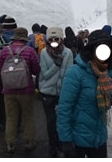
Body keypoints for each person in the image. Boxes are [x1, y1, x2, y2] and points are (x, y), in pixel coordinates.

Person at [57, 30, 112, 158]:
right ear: (91, 50)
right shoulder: (75, 73)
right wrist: (66, 139)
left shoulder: (104, 73)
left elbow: (107, 102)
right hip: (77, 140)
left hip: (99, 139)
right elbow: (64, 108)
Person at [0, 27, 41, 153]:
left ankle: (10, 144)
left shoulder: (5, 51)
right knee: (28, 116)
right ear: (25, 39)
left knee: (10, 117)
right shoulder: (30, 51)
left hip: (8, 91)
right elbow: (36, 70)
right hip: (26, 90)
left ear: (14, 37)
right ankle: (29, 142)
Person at [39, 27, 74, 157]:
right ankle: (52, 146)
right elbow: (45, 75)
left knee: (62, 120)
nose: (54, 41)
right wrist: (56, 65)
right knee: (50, 121)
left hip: (62, 93)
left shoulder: (68, 53)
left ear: (61, 39)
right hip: (47, 92)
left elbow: (68, 74)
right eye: (51, 39)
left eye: (56, 39)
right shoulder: (43, 53)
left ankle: (60, 142)